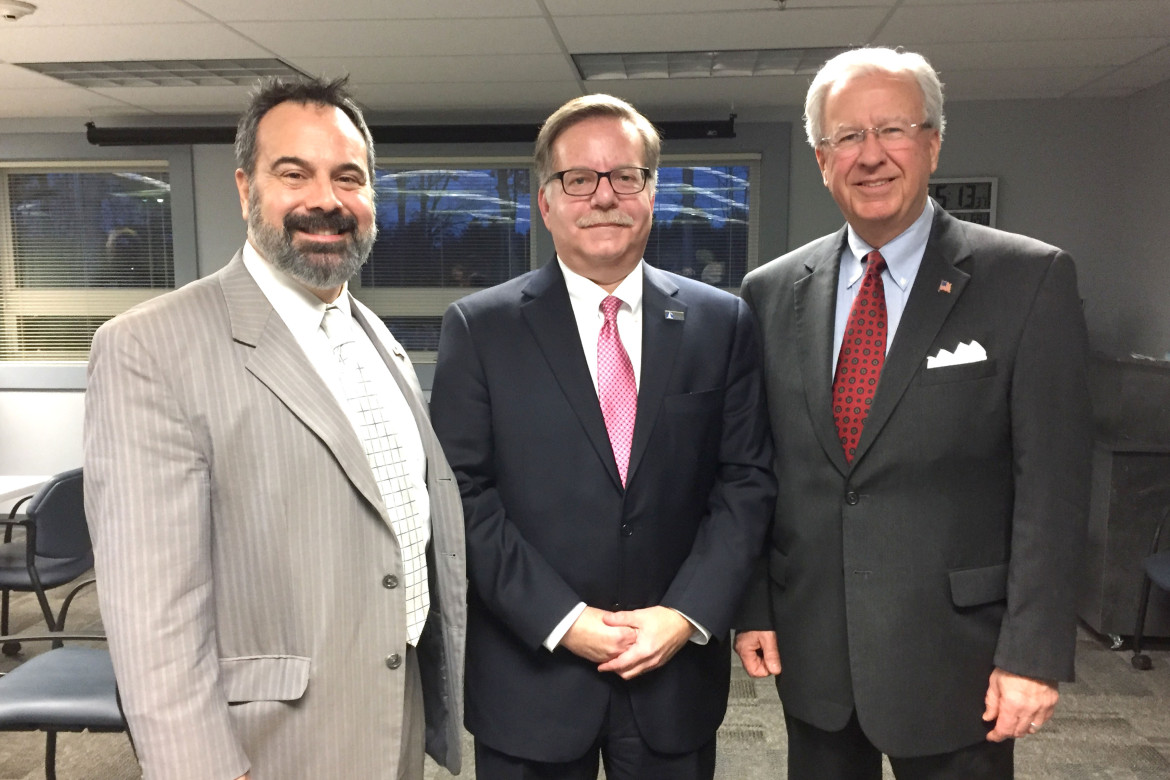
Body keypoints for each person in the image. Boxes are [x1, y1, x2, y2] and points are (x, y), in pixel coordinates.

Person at [83, 76, 466, 780]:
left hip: (390, 715)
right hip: (268, 746)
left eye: (348, 177)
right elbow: (151, 616)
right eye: (294, 173)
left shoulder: (375, 337)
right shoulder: (151, 347)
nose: (326, 199)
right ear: (244, 189)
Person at [734, 47, 1092, 779]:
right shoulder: (769, 293)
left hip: (960, 659)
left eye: (893, 130)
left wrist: (1033, 654)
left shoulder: (1028, 279)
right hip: (816, 654)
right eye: (847, 137)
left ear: (932, 141)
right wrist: (756, 604)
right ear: (820, 156)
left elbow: (1053, 486)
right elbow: (757, 466)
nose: (871, 155)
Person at [429, 94, 776, 780]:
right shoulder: (480, 328)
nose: (604, 196)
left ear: (652, 192)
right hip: (531, 674)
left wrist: (685, 613)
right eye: (579, 179)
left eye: (626, 176)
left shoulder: (721, 322)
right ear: (546, 201)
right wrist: (564, 620)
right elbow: (461, 494)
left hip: (671, 673)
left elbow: (745, 480)